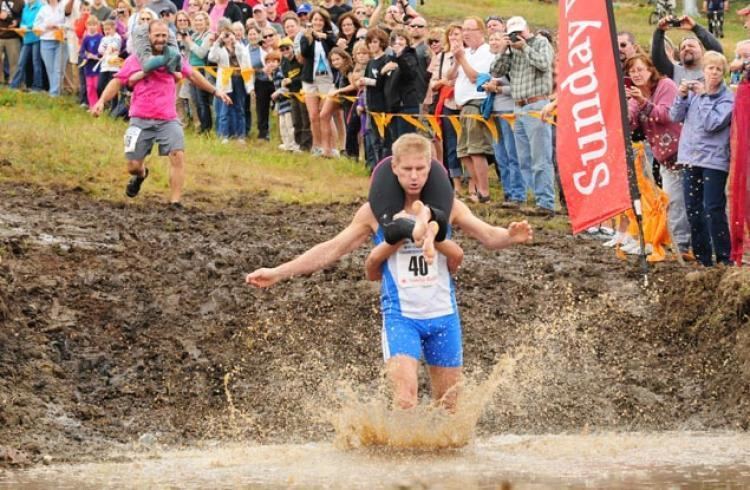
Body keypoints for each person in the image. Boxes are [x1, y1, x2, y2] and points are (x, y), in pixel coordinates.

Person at [245, 133, 533, 411]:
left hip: (444, 316)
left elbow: (488, 236)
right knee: (406, 401)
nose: (414, 176)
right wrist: (278, 272)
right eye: (407, 169)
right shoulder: (373, 212)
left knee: (450, 408)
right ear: (394, 167)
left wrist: (509, 236)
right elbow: (332, 249)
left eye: (421, 168)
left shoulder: (450, 206)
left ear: (431, 166)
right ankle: (401, 456)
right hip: (401, 318)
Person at [91, 19, 231, 206]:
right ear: (149, 36)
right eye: (157, 35)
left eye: (164, 35)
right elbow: (117, 81)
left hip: (168, 118)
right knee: (133, 166)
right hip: (140, 117)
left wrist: (216, 91)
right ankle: (141, 175)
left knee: (177, 155)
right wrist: (101, 101)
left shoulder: (174, 57)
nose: (160, 39)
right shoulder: (136, 59)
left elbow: (193, 75)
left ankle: (175, 202)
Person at [669, 51, 734, 266]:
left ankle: (724, 257)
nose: (713, 72)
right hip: (690, 157)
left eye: (718, 69)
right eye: (710, 68)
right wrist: (681, 96)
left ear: (723, 72)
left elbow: (712, 124)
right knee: (693, 209)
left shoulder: (727, 98)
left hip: (714, 160)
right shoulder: (694, 91)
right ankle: (703, 257)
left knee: (713, 208)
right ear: (703, 70)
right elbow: (675, 116)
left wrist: (705, 97)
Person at [624, 54, 691, 257]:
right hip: (662, 156)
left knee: (680, 201)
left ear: (650, 70)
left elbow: (665, 115)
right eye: (632, 71)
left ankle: (682, 245)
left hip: (682, 151)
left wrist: (642, 101)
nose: (636, 74)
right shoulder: (636, 96)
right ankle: (675, 242)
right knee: (670, 200)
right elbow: (630, 122)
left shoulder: (665, 85)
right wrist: (622, 108)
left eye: (640, 69)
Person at [491, 16, 555, 215]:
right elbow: (495, 71)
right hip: (517, 107)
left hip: (537, 104)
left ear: (527, 29)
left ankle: (546, 202)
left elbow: (544, 64)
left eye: (520, 32)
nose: (517, 36)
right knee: (524, 158)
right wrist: (504, 50)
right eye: (513, 33)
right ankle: (536, 199)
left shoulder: (541, 42)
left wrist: (525, 47)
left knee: (540, 157)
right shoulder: (511, 49)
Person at [452, 16, 495, 203]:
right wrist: (457, 58)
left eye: (470, 29)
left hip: (477, 102)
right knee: (464, 151)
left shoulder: (487, 52)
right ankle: (477, 189)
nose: (466, 33)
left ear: (481, 32)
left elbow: (475, 78)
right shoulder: (466, 53)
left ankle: (484, 191)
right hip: (462, 105)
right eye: (464, 29)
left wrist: (461, 58)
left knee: (477, 149)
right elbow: (449, 76)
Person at [299, 8, 337, 156]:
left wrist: (323, 37)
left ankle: (332, 147)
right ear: (311, 21)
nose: (318, 22)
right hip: (310, 79)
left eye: (321, 20)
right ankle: (317, 146)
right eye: (315, 20)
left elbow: (335, 46)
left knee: (326, 114)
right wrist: (309, 38)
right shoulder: (306, 36)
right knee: (314, 115)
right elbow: (304, 53)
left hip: (327, 78)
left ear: (325, 22)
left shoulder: (329, 36)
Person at [651, 14, 723, 85]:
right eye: (683, 48)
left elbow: (717, 51)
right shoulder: (674, 71)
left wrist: (695, 28)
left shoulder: (712, 69)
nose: (687, 48)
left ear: (702, 51)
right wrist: (659, 31)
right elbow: (658, 60)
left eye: (691, 46)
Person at [9, 0, 43, 91]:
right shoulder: (25, 8)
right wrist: (23, 27)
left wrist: (28, 26)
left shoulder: (40, 7)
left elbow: (39, 21)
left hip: (37, 38)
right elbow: (22, 22)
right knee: (21, 63)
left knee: (36, 63)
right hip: (26, 39)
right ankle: (14, 85)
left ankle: (37, 87)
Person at [0, 0, 23, 86]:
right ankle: (1, 81)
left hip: (13, 36)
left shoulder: (20, 2)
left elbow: (22, 17)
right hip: (0, 35)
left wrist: (16, 22)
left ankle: (13, 83)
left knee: (14, 62)